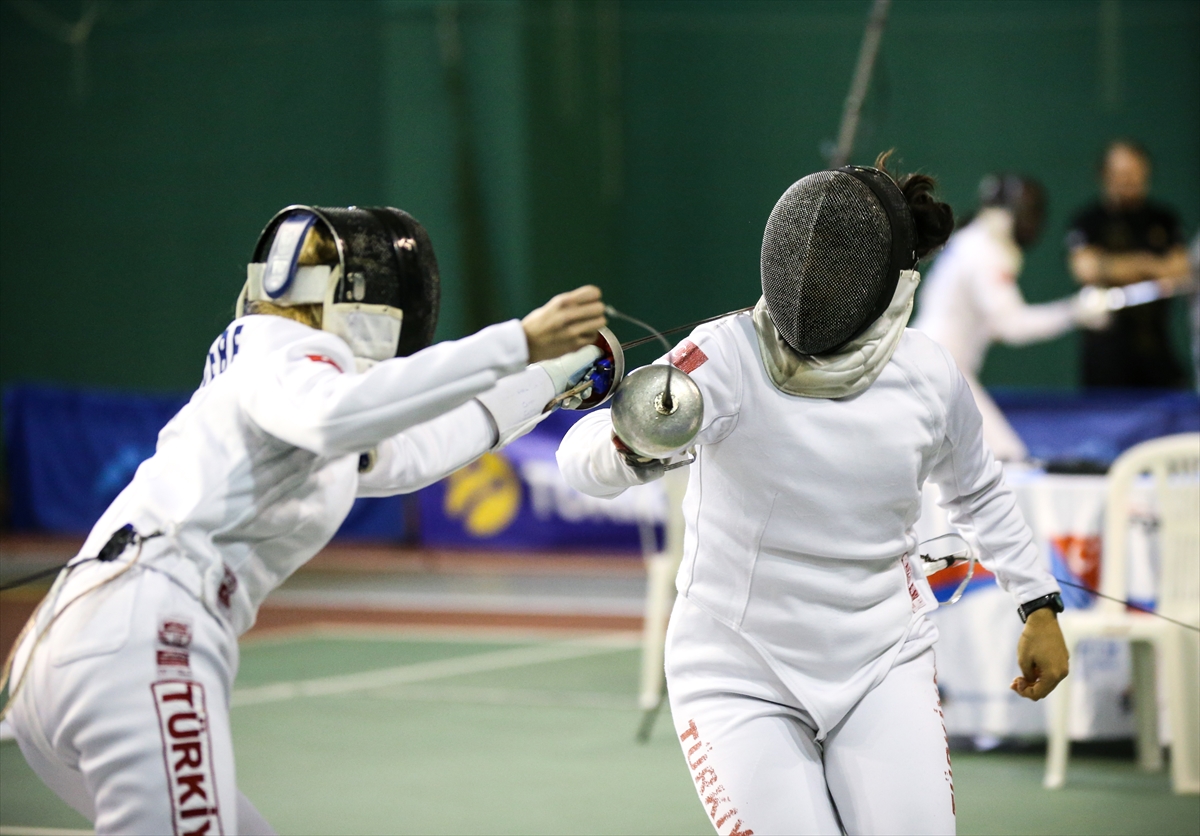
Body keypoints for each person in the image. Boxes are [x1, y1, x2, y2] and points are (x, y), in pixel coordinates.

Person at [2, 205, 608, 835]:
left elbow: (411, 449)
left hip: (64, 649)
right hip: (145, 640)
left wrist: (548, 379)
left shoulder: (273, 382)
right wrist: (515, 343)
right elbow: (336, 416)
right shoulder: (287, 357)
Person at [557, 157, 1069, 835]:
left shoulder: (929, 373)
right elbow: (579, 459)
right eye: (803, 259)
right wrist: (632, 443)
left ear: (885, 281)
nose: (809, 283)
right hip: (737, 669)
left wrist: (1038, 604)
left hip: (882, 663)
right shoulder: (726, 354)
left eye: (835, 265)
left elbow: (979, 492)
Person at [913, 174, 1109, 461]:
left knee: (984, 463)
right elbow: (1012, 326)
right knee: (1005, 459)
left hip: (936, 368)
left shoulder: (972, 242)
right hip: (939, 373)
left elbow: (996, 324)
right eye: (1024, 212)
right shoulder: (984, 252)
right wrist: (1075, 312)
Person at [1067, 139, 1191, 387]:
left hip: (1157, 352)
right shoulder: (1088, 221)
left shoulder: (1164, 219)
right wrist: (1149, 266)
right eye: (1120, 173)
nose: (1128, 180)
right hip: (1106, 358)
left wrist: (1115, 268)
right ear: (1104, 175)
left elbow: (1180, 269)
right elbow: (1086, 269)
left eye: (1135, 172)